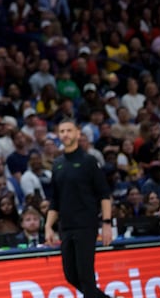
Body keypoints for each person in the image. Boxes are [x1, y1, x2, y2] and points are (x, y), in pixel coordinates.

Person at [46, 118, 112, 298]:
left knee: (86, 277)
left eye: (69, 130)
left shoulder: (88, 161)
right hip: (65, 227)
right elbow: (55, 199)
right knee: (71, 276)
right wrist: (48, 226)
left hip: (85, 225)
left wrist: (106, 223)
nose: (65, 134)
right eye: (62, 131)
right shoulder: (57, 164)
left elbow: (104, 194)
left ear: (77, 133)